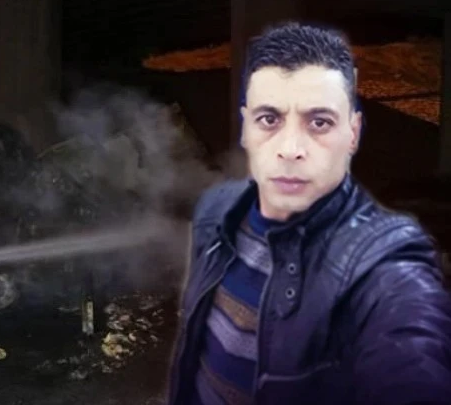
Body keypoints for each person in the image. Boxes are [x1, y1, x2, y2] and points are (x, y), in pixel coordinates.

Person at [167, 22, 451, 405]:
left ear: (353, 132)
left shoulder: (384, 266)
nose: (290, 148)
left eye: (319, 122)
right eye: (270, 119)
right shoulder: (216, 214)